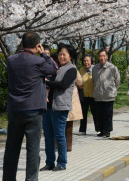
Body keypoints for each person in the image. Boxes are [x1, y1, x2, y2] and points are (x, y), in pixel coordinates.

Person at [3, 32, 58, 181]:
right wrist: (44, 54)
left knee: (12, 149)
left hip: (15, 110)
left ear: (22, 44)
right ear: (37, 46)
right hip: (33, 110)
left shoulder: (11, 60)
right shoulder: (38, 62)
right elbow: (53, 69)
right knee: (33, 150)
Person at [42, 44, 78, 172]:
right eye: (60, 54)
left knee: (59, 135)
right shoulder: (57, 68)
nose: (61, 56)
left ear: (70, 56)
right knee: (48, 135)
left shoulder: (72, 69)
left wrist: (46, 82)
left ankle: (62, 163)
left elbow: (63, 85)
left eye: (64, 54)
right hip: (48, 106)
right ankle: (49, 162)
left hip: (61, 107)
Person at [91, 49, 121, 138]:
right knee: (99, 114)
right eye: (100, 56)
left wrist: (114, 89)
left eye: (103, 56)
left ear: (107, 57)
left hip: (109, 95)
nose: (102, 58)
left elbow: (117, 80)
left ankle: (107, 131)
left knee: (107, 114)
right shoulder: (95, 68)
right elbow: (94, 80)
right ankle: (101, 130)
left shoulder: (112, 68)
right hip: (98, 95)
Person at [78, 55, 96, 135]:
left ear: (91, 61)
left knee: (95, 113)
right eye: (84, 61)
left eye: (87, 61)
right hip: (84, 95)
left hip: (94, 95)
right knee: (83, 113)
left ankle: (98, 129)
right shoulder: (81, 70)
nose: (86, 62)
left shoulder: (95, 69)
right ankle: (82, 130)